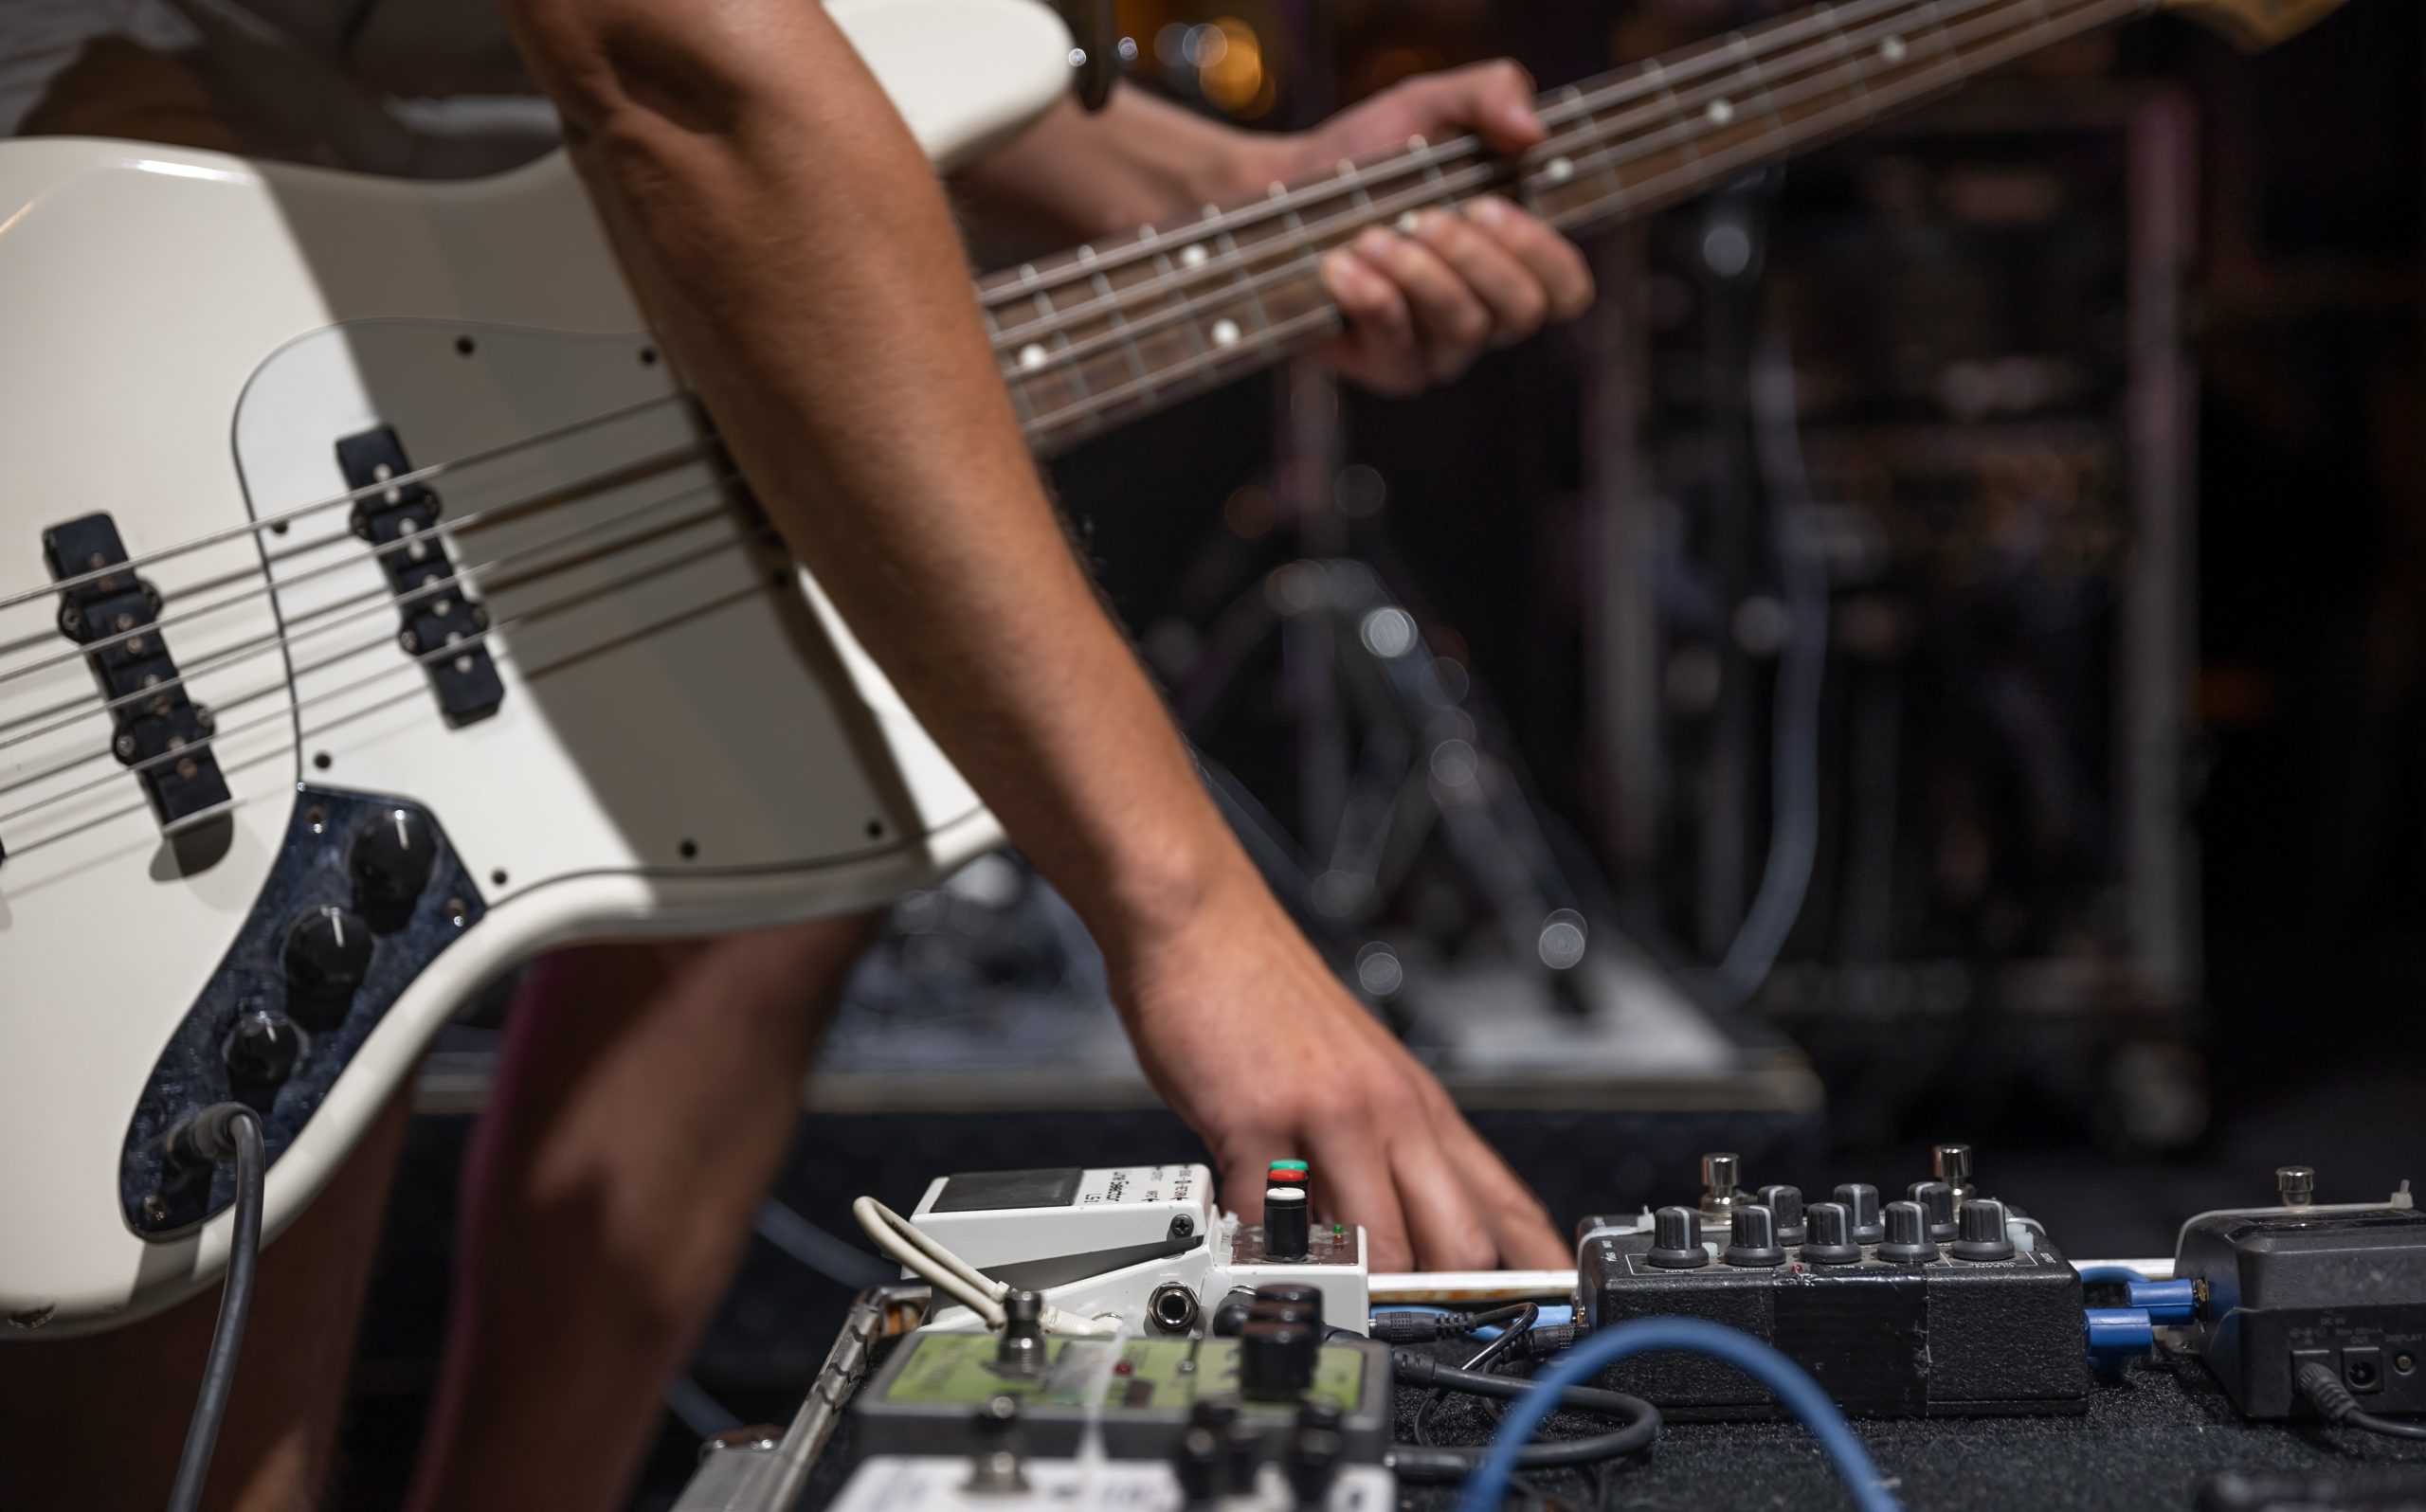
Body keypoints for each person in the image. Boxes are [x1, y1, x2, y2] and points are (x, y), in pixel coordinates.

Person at [0, 3, 1597, 1508]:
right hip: (151, 288)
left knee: (805, 816)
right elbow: (692, 63)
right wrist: (1192, 914)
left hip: (474, 202)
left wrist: (1230, 187)